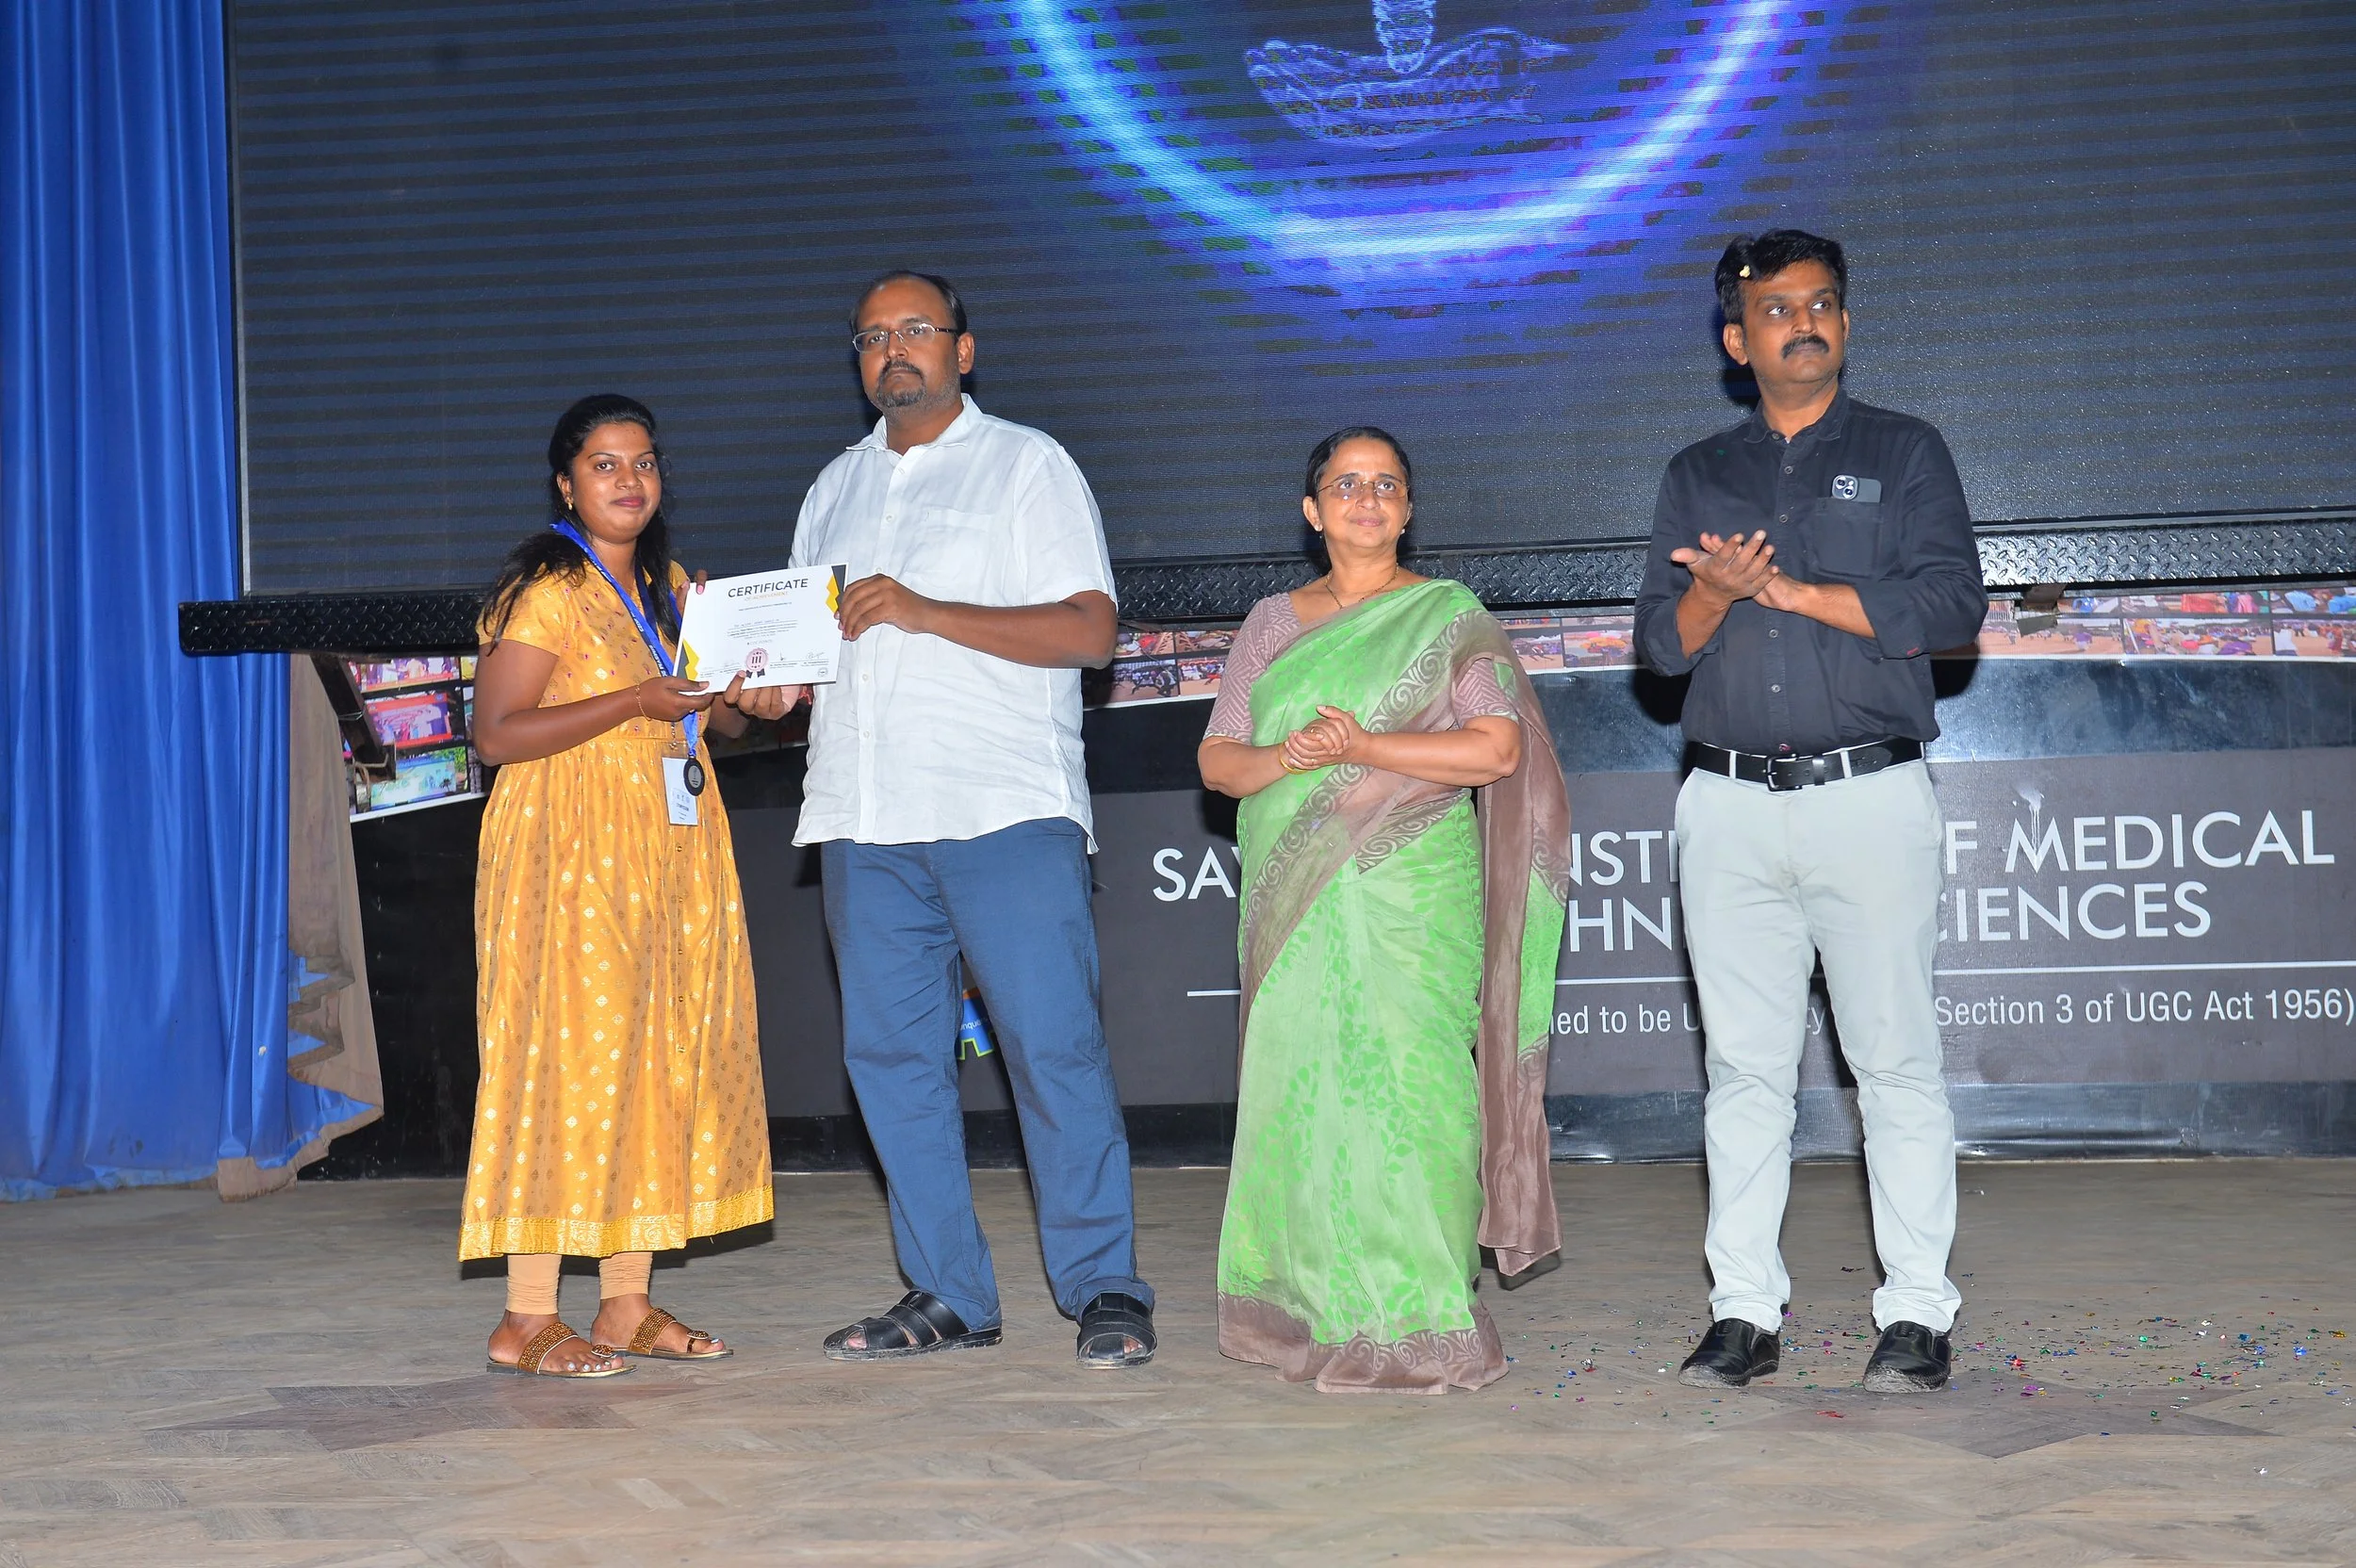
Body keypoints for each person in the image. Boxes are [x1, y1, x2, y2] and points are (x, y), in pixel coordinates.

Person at [1631, 231, 1988, 1394]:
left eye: (1822, 302)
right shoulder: (1696, 473)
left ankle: (1917, 1311)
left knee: (1895, 1065)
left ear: (1844, 321)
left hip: (1867, 796)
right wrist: (1713, 592)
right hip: (1728, 805)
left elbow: (1951, 607)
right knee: (1743, 1072)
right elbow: (1660, 648)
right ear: (1736, 342)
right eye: (1776, 308)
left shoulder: (1903, 448)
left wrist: (1788, 590)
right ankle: (1742, 1310)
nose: (1804, 320)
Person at [783, 270, 1155, 1367]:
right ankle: (948, 1291)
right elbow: (805, 661)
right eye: (871, 336)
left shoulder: (1027, 464)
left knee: (1052, 1050)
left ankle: (1104, 1287)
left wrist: (922, 609)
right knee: (893, 1063)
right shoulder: (832, 488)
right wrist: (756, 683)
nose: (892, 349)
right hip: (863, 815)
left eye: (915, 329)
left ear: (963, 348)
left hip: (1002, 805)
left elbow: (1088, 630)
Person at [1197, 427, 1571, 1394]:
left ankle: (1422, 1318)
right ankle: (1313, 1312)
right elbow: (1219, 760)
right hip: (1292, 901)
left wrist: (1364, 746)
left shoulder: (1448, 617)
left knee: (1414, 1093)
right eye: (1345, 484)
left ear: (1407, 510)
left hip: (1412, 892)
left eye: (1386, 485)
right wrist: (1290, 757)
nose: (1366, 499)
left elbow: (1495, 749)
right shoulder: (1270, 624)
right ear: (1312, 511)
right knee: (1304, 1096)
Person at [462, 394, 787, 1377]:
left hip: (671, 853)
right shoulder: (546, 589)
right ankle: (525, 1317)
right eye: (604, 464)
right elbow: (495, 734)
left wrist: (751, 694)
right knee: (568, 1065)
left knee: (657, 1060)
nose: (629, 480)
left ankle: (624, 1303)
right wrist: (633, 700)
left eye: (644, 461)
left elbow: (714, 721)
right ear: (566, 484)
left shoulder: (674, 589)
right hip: (566, 854)